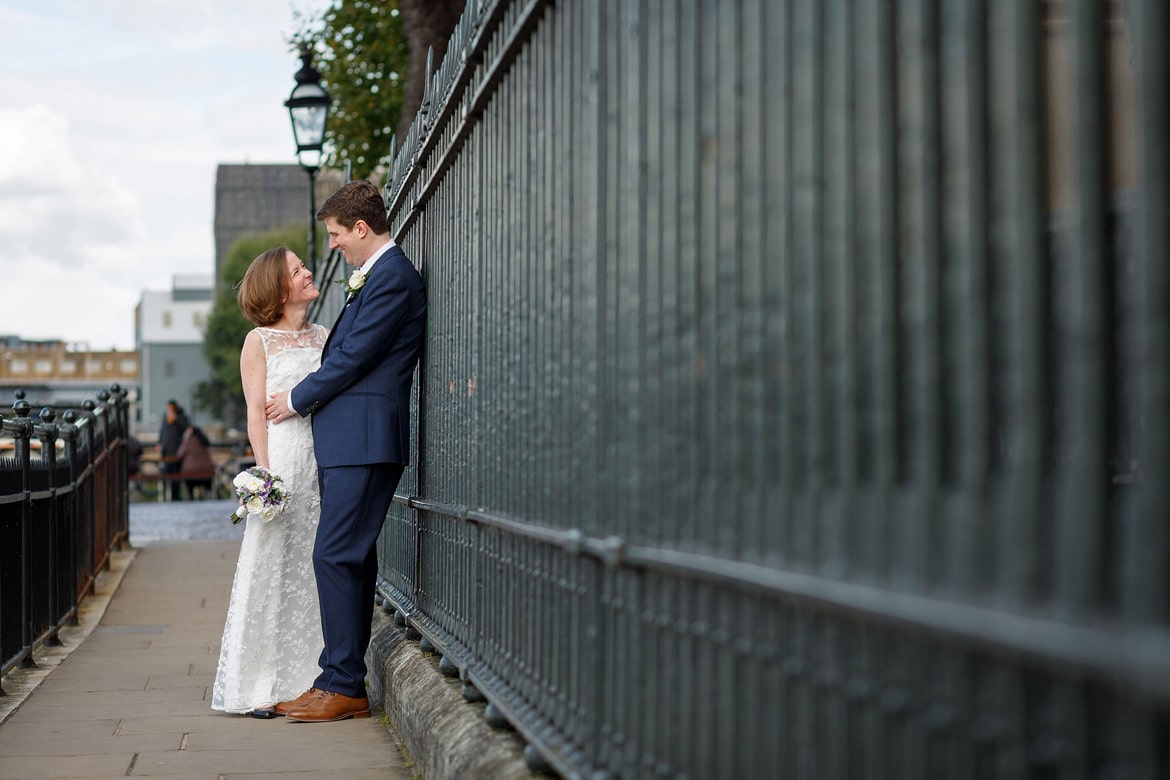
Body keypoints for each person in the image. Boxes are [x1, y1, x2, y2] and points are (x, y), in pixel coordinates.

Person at [265, 179, 426, 723]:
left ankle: (340, 683)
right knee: (351, 561)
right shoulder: (377, 277)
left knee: (333, 556)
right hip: (350, 440)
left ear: (361, 228)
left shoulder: (393, 277)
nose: (331, 245)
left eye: (335, 234)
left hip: (363, 439)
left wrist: (295, 398)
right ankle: (341, 681)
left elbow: (352, 357)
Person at [210, 246, 328, 718]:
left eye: (303, 266)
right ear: (279, 289)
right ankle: (260, 683)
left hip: (323, 461)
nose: (307, 272)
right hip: (282, 463)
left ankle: (308, 680)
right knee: (271, 564)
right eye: (298, 270)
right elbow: (255, 413)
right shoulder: (258, 341)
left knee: (314, 568)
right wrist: (265, 477)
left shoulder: (323, 335)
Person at [158, 400, 188, 501]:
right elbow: (162, 430)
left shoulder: (181, 416)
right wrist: (160, 442)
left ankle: (175, 496)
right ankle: (166, 495)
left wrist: (177, 419)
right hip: (167, 451)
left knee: (176, 475)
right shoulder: (165, 416)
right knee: (167, 473)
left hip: (177, 451)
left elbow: (186, 427)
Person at [175, 426, 215, 499]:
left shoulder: (187, 441)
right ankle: (211, 495)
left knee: (188, 482)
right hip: (207, 472)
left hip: (190, 473)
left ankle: (190, 497)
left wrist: (185, 438)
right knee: (207, 483)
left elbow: (179, 454)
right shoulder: (203, 441)